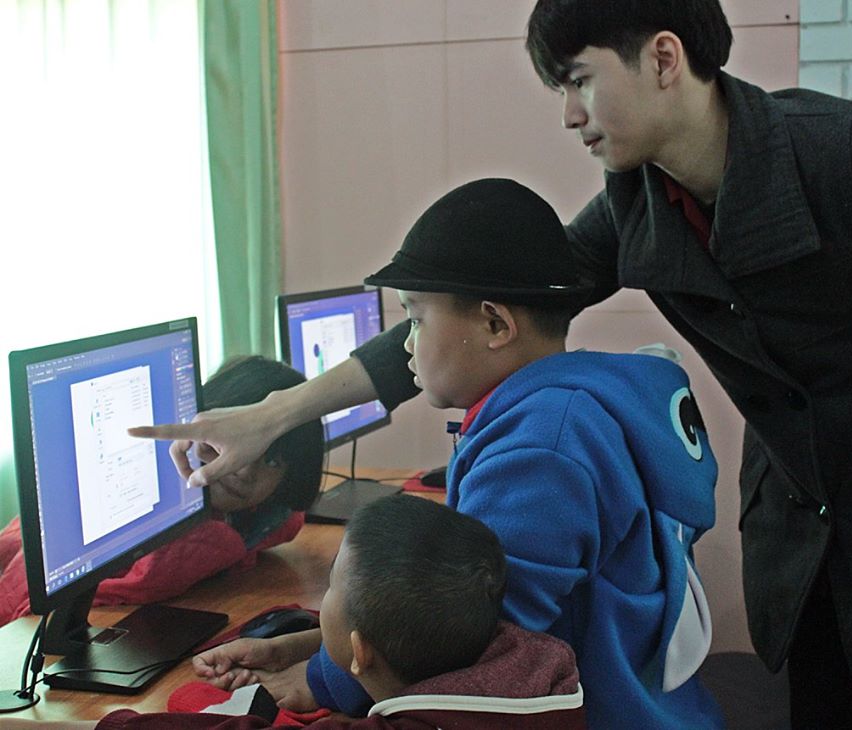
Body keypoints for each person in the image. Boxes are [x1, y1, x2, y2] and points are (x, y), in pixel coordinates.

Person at [129, 1, 852, 726]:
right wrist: (273, 415)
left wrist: (320, 670)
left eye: (579, 80)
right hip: (804, 544)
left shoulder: (849, 154)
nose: (569, 115)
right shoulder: (639, 205)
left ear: (663, 59)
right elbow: (490, 299)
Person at [166, 178, 722, 729]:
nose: (407, 344)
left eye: (415, 318)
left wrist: (322, 680)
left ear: (495, 324)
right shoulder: (562, 412)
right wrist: (310, 645)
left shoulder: (542, 448)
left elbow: (466, 640)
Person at [6, 494, 587, 729]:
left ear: (358, 652)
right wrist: (291, 645)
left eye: (330, 589)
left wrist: (98, 724)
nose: (320, 603)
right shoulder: (534, 675)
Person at [0, 355, 325, 626]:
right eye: (229, 442)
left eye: (272, 461)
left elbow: (289, 517)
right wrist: (223, 545)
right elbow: (34, 602)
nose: (244, 470)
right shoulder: (152, 499)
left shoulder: (272, 517)